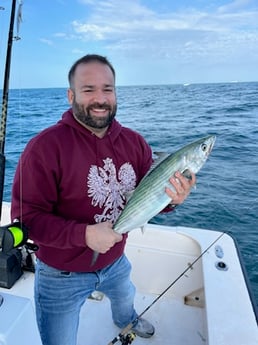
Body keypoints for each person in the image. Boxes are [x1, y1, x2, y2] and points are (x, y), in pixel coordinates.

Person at [11, 54, 196, 345]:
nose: (100, 98)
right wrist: (84, 234)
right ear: (71, 95)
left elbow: (149, 198)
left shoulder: (135, 142)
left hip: (115, 261)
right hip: (61, 275)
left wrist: (173, 199)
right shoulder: (43, 148)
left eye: (107, 89)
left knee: (125, 297)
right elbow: (27, 220)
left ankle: (126, 320)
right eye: (88, 90)